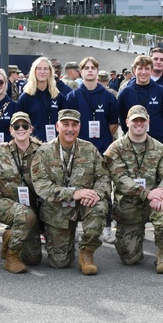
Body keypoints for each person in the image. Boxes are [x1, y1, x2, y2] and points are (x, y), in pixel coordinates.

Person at [30, 108, 111, 274]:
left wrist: (95, 194)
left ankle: (86, 253)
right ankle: (65, 240)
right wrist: (73, 193)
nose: (70, 129)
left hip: (84, 205)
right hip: (58, 209)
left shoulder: (90, 149)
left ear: (79, 128)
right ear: (57, 126)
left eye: (74, 125)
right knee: (60, 263)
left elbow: (104, 178)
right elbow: (41, 185)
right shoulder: (44, 152)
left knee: (99, 208)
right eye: (65, 124)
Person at [104, 105, 163, 273]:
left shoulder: (160, 148)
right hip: (129, 207)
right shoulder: (115, 148)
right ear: (127, 122)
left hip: (154, 204)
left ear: (148, 122)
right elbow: (120, 179)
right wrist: (147, 193)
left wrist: (161, 193)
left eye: (142, 120)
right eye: (135, 120)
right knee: (130, 258)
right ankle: (134, 241)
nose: (139, 123)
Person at [0, 111, 42, 273]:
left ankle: (9, 236)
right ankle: (11, 257)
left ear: (31, 129)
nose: (20, 129)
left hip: (29, 205)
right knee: (25, 215)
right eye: (16, 126)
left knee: (33, 258)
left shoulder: (42, 151)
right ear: (11, 130)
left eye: (24, 126)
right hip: (1, 200)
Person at [63, 56, 120, 154]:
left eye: (93, 68)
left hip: (103, 149)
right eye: (86, 68)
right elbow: (66, 125)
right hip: (78, 150)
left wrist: (103, 139)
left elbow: (114, 124)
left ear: (97, 72)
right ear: (81, 72)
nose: (90, 70)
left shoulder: (108, 96)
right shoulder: (72, 97)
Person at [117, 55, 163, 145]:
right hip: (133, 143)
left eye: (147, 69)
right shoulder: (125, 93)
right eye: (140, 68)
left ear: (151, 71)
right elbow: (122, 118)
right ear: (134, 71)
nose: (143, 72)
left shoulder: (162, 91)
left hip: (157, 142)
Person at [19, 56, 63, 143]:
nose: (42, 72)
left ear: (50, 72)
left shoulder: (57, 96)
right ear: (34, 72)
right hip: (33, 144)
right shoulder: (25, 97)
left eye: (45, 69)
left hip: (55, 144)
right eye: (39, 69)